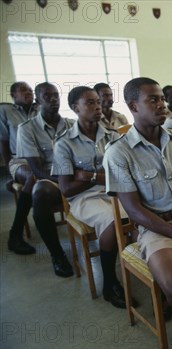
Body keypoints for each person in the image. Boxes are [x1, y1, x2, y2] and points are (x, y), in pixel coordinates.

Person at [103, 77, 172, 320]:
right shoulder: (118, 152)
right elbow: (135, 211)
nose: (162, 104)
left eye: (161, 99)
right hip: (157, 226)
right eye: (153, 100)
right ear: (133, 106)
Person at [52, 86, 129, 308]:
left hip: (116, 191)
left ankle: (150, 269)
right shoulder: (64, 143)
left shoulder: (114, 136)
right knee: (111, 219)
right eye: (90, 103)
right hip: (85, 199)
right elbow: (67, 189)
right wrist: (99, 178)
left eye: (98, 101)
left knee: (142, 211)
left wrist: (87, 175)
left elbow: (123, 175)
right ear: (76, 108)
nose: (98, 106)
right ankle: (109, 282)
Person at [16, 82, 75, 277]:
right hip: (51, 178)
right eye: (47, 96)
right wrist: (64, 183)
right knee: (39, 192)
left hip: (74, 176)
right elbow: (37, 170)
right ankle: (57, 255)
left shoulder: (72, 125)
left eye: (56, 95)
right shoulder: (27, 129)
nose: (53, 100)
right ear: (38, 100)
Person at [1, 82, 38, 255]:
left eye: (30, 90)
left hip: (42, 158)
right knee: (33, 177)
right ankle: (15, 235)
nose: (29, 93)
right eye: (23, 91)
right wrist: (10, 174)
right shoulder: (5, 111)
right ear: (13, 95)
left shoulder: (41, 109)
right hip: (19, 159)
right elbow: (3, 143)